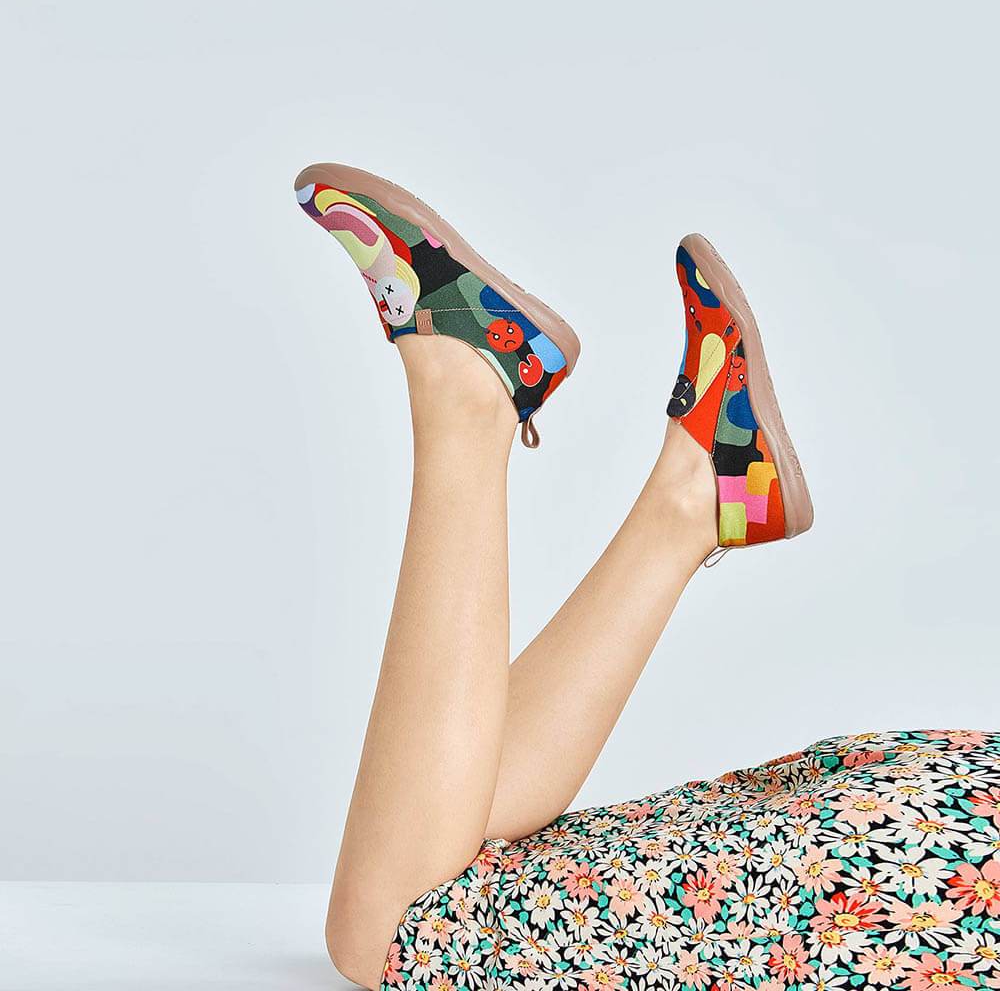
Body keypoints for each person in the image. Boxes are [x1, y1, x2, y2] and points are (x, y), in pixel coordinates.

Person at [293, 164, 1000, 991]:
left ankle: (696, 488)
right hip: (931, 877)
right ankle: (481, 397)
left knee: (427, 885)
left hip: (943, 822)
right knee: (400, 920)